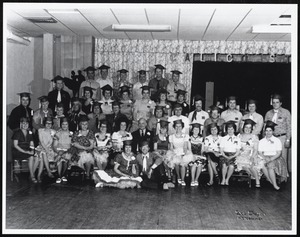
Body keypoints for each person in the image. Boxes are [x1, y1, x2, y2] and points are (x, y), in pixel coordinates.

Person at [258, 120, 288, 190]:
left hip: (275, 157)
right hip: (264, 157)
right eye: (267, 130)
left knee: (270, 165)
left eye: (270, 130)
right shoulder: (261, 141)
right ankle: (272, 182)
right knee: (261, 164)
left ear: (273, 131)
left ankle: (274, 185)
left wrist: (271, 159)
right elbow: (260, 152)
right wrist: (265, 158)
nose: (268, 132)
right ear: (264, 131)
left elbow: (279, 153)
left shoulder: (277, 140)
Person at [264, 94, 291, 173]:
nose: (275, 104)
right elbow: (265, 127)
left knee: (283, 156)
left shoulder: (286, 112)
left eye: (277, 102)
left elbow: (289, 126)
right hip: (270, 137)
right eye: (274, 102)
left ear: (281, 103)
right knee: (272, 156)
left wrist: (288, 139)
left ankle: (284, 175)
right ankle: (275, 173)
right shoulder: (268, 113)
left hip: (281, 137)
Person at [11, 117, 39, 183]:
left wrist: (32, 150)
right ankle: (32, 176)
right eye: (23, 123)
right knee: (31, 157)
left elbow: (32, 144)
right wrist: (26, 152)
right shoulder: (17, 132)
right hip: (18, 151)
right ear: (20, 124)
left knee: (37, 157)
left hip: (27, 150)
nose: (25, 125)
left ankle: (31, 174)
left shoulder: (30, 133)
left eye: (26, 123)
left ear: (28, 124)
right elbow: (15, 145)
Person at [235, 119, 261, 187]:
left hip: (251, 154)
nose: (247, 129)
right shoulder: (239, 136)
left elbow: (255, 149)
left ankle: (257, 181)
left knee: (251, 165)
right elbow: (235, 147)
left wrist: (252, 157)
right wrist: (240, 151)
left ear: (252, 129)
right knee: (245, 165)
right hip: (240, 155)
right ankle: (253, 176)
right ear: (243, 127)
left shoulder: (254, 137)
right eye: (246, 127)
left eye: (249, 128)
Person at [168, 119, 193, 186]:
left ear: (182, 127)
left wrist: (183, 154)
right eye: (176, 126)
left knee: (182, 163)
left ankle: (183, 179)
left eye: (180, 126)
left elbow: (185, 146)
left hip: (183, 152)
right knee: (175, 162)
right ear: (174, 127)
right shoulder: (171, 136)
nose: (178, 128)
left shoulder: (186, 136)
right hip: (175, 152)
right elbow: (171, 147)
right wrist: (174, 154)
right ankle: (178, 177)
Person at [70, 115, 96, 180]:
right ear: (80, 125)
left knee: (88, 156)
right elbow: (74, 143)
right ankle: (84, 173)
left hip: (89, 151)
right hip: (78, 151)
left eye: (86, 124)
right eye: (83, 124)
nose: (84, 126)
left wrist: (87, 148)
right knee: (85, 155)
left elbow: (92, 144)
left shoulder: (90, 132)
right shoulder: (76, 132)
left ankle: (87, 174)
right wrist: (84, 148)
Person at [219, 121, 241, 186]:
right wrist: (225, 156)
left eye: (232, 129)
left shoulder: (238, 139)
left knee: (231, 166)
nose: (230, 131)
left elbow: (238, 151)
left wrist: (232, 156)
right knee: (224, 165)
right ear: (226, 130)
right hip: (224, 155)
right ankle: (223, 179)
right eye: (228, 129)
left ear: (234, 130)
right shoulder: (223, 138)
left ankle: (227, 179)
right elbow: (221, 150)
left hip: (233, 155)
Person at [53, 117, 73, 183]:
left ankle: (62, 175)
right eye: (63, 124)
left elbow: (72, 146)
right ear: (61, 125)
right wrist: (58, 152)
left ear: (68, 125)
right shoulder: (58, 133)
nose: (64, 126)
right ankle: (59, 176)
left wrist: (66, 151)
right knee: (60, 156)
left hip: (67, 151)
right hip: (58, 150)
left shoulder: (71, 134)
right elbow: (54, 146)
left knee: (66, 156)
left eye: (66, 124)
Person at [36, 117, 56, 181]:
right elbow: (41, 141)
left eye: (50, 123)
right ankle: (48, 171)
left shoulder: (53, 131)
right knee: (43, 153)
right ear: (44, 124)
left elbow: (51, 142)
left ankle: (39, 176)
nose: (48, 125)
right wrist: (46, 149)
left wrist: (47, 149)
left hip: (49, 148)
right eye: (47, 123)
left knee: (43, 155)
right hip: (40, 147)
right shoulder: (40, 130)